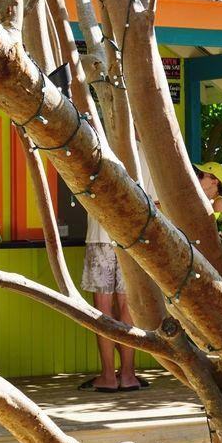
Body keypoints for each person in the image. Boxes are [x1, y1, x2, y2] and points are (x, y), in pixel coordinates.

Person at [79, 144, 156, 393]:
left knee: (102, 309)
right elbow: (155, 202)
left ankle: (107, 377)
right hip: (133, 239)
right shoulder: (146, 152)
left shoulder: (95, 147)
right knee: (128, 308)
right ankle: (128, 375)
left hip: (101, 235)